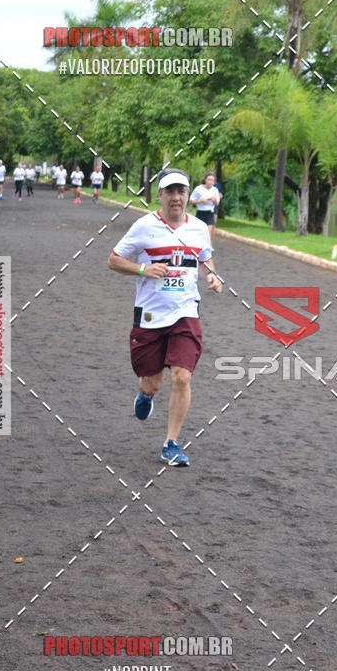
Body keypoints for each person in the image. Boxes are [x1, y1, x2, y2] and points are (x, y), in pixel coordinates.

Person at [107, 167, 222, 467]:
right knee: (153, 383)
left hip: (185, 311)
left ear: (188, 196)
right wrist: (144, 269)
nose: (176, 197)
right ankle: (145, 395)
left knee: (182, 376)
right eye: (170, 191)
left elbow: (204, 257)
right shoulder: (144, 227)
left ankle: (171, 443)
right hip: (150, 316)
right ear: (160, 195)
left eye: (181, 191)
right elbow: (113, 260)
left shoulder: (198, 228)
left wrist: (212, 276)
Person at [190, 170, 221, 242]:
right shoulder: (198, 189)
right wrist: (200, 201)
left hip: (210, 214)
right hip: (200, 213)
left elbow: (217, 203)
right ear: (205, 180)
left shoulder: (215, 190)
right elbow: (191, 201)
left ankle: (208, 250)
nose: (210, 182)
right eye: (209, 180)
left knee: (208, 233)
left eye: (212, 180)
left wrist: (214, 200)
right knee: (199, 234)